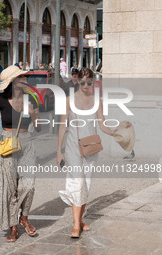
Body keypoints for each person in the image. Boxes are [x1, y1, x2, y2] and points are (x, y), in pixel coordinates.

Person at [0, 65, 41, 242]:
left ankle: (24, 217)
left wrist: (34, 114)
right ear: (12, 82)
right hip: (7, 143)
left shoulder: (29, 98)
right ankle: (13, 227)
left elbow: (38, 127)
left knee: (28, 185)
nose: (25, 80)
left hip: (26, 143)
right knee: (10, 188)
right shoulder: (0, 99)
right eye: (21, 78)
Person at [56, 68, 115, 238]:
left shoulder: (97, 100)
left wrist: (115, 132)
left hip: (91, 147)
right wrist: (59, 151)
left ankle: (80, 219)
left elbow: (102, 124)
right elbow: (62, 126)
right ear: (77, 81)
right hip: (73, 147)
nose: (85, 85)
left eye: (89, 82)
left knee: (86, 184)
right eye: (82, 82)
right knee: (77, 183)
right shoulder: (68, 100)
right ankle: (75, 225)